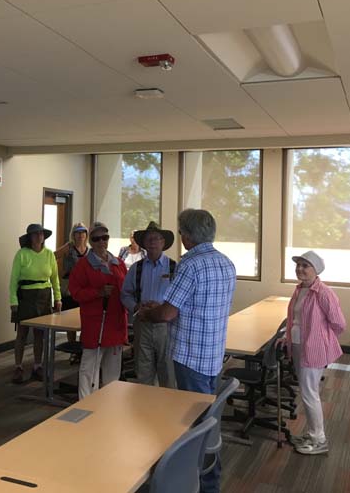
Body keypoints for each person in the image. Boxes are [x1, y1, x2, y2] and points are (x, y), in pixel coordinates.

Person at [139, 208, 235, 493]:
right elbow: (199, 307)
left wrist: (148, 314)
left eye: (181, 232)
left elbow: (168, 314)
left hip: (190, 356)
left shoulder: (189, 265)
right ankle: (210, 481)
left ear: (188, 236)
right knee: (208, 423)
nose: (180, 237)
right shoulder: (226, 263)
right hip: (214, 356)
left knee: (193, 428)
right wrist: (164, 309)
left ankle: (194, 483)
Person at [282, 250, 346, 456]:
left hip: (314, 349)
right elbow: (296, 319)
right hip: (299, 346)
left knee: (310, 394)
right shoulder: (300, 289)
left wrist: (321, 338)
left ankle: (319, 439)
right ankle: (312, 434)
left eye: (305, 265)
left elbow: (339, 324)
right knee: (307, 391)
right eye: (298, 265)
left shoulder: (324, 293)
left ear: (315, 270)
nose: (300, 269)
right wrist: (288, 337)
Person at [69, 222, 128, 399]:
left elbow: (126, 290)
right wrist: (98, 293)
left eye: (105, 237)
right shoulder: (83, 266)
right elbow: (75, 292)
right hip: (96, 325)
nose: (102, 242)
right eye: (96, 238)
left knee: (112, 371)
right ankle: (86, 405)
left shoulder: (119, 264)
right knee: (89, 370)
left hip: (116, 323)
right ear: (91, 241)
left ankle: (109, 405)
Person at [121, 221, 176, 388]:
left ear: (163, 243)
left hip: (166, 327)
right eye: (149, 238)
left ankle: (168, 410)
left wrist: (160, 308)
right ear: (143, 243)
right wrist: (137, 307)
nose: (152, 241)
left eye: (157, 238)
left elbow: (181, 298)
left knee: (167, 370)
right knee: (143, 372)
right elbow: (125, 294)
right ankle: (145, 409)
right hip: (142, 324)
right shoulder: (136, 269)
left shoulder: (174, 267)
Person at [9, 224, 62, 384]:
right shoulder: (22, 254)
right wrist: (13, 300)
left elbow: (54, 278)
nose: (39, 237)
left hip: (44, 295)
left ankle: (37, 366)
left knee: (40, 333)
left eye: (41, 234)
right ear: (30, 237)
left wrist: (58, 298)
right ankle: (18, 366)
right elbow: (13, 280)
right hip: (25, 294)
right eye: (35, 234)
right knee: (22, 333)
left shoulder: (49, 255)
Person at [55, 222, 89, 345]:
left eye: (83, 232)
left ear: (86, 235)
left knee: (84, 318)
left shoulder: (89, 250)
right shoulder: (69, 248)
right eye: (78, 232)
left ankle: (83, 346)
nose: (80, 235)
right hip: (69, 287)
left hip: (84, 288)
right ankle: (72, 347)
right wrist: (60, 272)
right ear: (73, 235)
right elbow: (52, 256)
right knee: (70, 319)